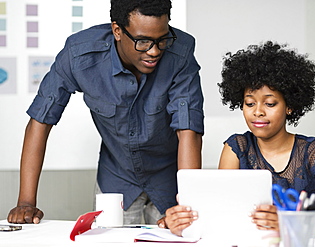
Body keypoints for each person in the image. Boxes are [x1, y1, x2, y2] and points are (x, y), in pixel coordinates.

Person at [7, 0, 204, 225]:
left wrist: (185, 208)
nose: (154, 51)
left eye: (162, 40)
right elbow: (40, 121)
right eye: (142, 41)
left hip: (171, 178)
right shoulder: (79, 55)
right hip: (116, 180)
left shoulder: (181, 53)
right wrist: (26, 202)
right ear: (117, 31)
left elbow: (188, 129)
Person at [160, 41, 315, 236]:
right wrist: (178, 222)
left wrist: (289, 223)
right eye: (250, 103)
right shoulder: (237, 148)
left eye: (270, 103)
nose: (258, 112)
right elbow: (221, 213)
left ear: (290, 106)